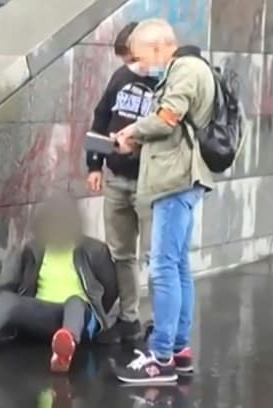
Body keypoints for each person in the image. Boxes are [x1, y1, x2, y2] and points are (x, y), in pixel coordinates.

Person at [111, 19, 215, 384]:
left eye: (141, 57)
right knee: (178, 266)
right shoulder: (188, 67)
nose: (140, 66)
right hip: (180, 179)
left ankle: (162, 357)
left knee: (164, 268)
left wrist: (132, 132)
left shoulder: (185, 69)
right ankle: (179, 350)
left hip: (175, 181)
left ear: (158, 48)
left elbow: (168, 117)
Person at [0, 194, 118, 372]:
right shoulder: (35, 249)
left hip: (79, 318)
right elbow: (27, 287)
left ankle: (65, 350)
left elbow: (111, 289)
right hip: (45, 316)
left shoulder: (94, 250)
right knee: (8, 299)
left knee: (75, 301)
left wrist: (98, 319)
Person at [86, 21, 163, 342]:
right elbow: (100, 119)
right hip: (118, 177)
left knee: (157, 256)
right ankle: (129, 317)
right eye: (129, 58)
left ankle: (162, 322)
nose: (133, 64)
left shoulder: (168, 82)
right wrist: (94, 164)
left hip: (152, 181)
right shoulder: (120, 78)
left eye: (135, 56)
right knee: (121, 253)